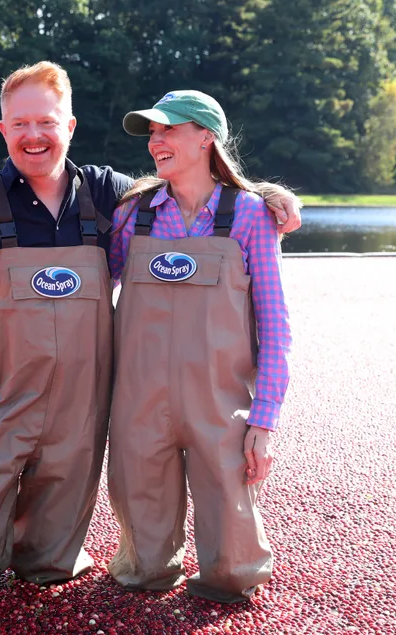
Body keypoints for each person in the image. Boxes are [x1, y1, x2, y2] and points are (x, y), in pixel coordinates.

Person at [0, 63, 300, 601]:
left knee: (54, 565)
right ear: (3, 129)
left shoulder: (110, 198)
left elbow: (204, 204)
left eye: (46, 122)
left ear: (69, 126)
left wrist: (269, 195)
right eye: (20, 123)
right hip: (8, 401)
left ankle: (70, 562)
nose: (34, 135)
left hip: (98, 412)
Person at [104, 90, 291, 604]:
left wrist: (264, 420)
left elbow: (275, 325)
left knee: (233, 575)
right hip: (139, 405)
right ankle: (148, 573)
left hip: (219, 408)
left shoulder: (252, 216)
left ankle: (225, 576)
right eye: (152, 133)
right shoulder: (132, 215)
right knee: (141, 571)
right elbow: (89, 294)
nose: (156, 142)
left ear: (206, 137)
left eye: (168, 130)